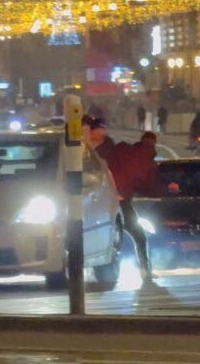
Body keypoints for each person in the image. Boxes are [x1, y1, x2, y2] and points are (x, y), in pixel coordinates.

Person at [82, 115, 153, 279]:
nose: (103, 131)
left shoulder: (108, 147)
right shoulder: (82, 150)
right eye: (100, 128)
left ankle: (144, 267)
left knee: (138, 233)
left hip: (115, 198)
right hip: (95, 199)